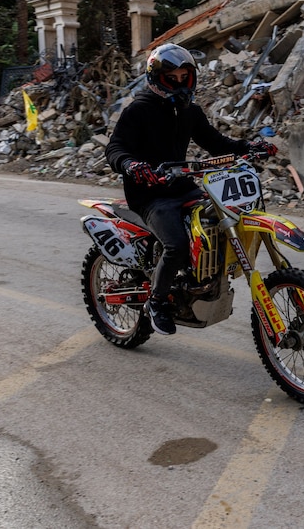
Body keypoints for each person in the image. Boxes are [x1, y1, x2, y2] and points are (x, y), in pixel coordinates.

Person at [105, 43, 276, 336]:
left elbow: (216, 142)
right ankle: (156, 302)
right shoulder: (139, 110)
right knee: (177, 245)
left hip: (184, 187)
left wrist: (250, 147)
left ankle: (200, 281)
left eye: (186, 76)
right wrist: (133, 166)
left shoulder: (189, 112)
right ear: (158, 77)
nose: (181, 82)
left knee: (217, 224)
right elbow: (115, 149)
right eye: (174, 77)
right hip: (150, 195)